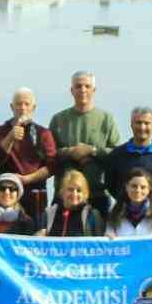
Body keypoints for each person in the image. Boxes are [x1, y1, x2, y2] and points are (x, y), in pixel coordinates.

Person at [48, 71, 121, 215]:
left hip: (97, 195)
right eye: (78, 86)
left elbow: (117, 154)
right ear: (72, 90)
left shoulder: (106, 119)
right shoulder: (58, 119)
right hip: (65, 196)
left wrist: (92, 151)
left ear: (94, 90)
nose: (83, 90)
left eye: (87, 86)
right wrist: (70, 152)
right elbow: (49, 154)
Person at [0, 87, 56, 225]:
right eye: (18, 104)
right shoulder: (2, 130)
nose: (22, 108)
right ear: (12, 107)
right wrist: (10, 137)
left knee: (35, 230)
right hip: (8, 191)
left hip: (35, 192)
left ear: (33, 107)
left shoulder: (43, 133)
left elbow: (52, 167)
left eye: (27, 104)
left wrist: (27, 179)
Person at [106, 106, 152, 203]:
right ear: (131, 125)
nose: (142, 127)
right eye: (138, 123)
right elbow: (110, 185)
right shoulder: (117, 155)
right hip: (125, 212)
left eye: (147, 123)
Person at [106, 168, 152, 238]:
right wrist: (109, 237)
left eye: (143, 187)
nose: (138, 190)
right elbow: (108, 236)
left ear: (149, 189)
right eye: (134, 186)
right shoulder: (115, 212)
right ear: (126, 187)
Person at [40, 169, 105, 237]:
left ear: (85, 194)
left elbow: (99, 243)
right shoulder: (49, 214)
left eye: (79, 190)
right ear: (62, 191)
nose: (74, 194)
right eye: (70, 189)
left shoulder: (92, 215)